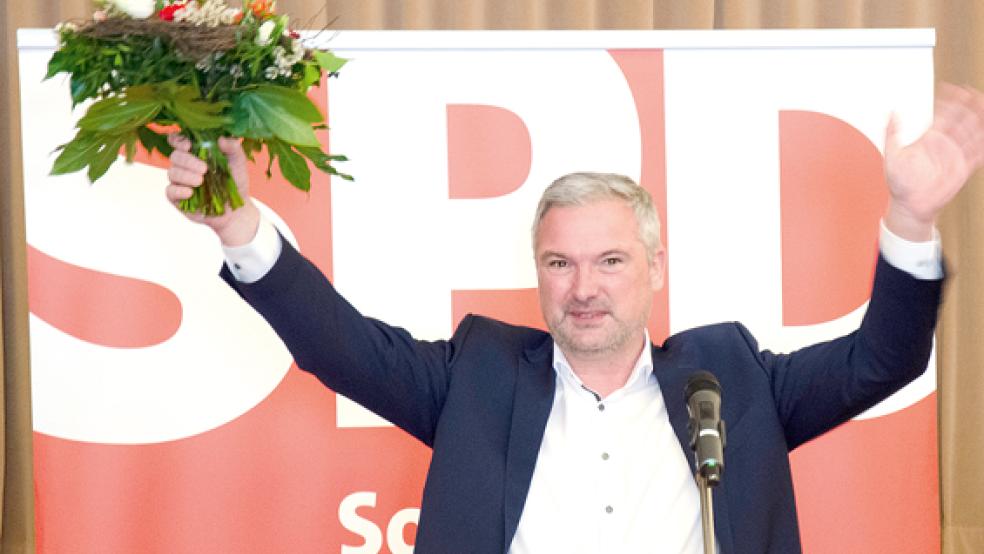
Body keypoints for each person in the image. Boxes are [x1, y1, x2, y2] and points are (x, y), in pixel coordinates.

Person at [166, 84, 984, 553]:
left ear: (656, 270)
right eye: (560, 263)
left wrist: (910, 221)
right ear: (539, 274)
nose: (583, 287)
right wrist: (237, 224)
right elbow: (336, 344)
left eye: (611, 261)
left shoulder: (729, 380)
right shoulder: (475, 378)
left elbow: (884, 360)